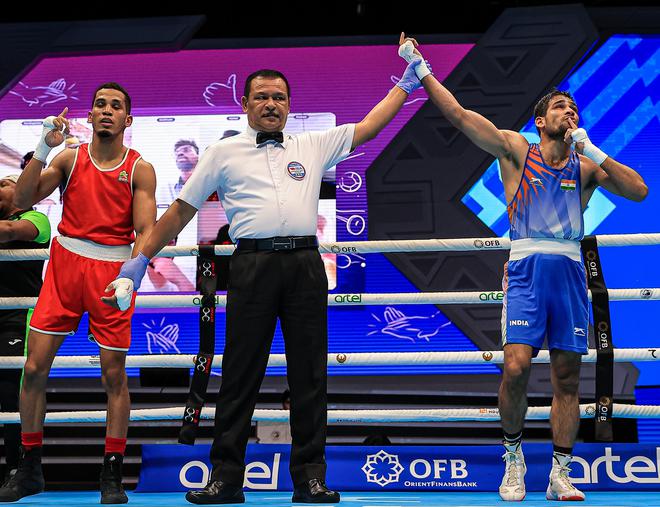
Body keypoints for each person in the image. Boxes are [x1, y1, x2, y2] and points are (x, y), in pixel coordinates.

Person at [105, 36, 429, 504]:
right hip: (252, 263)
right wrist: (137, 263)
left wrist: (406, 80)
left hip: (304, 263)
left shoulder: (312, 143)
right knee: (240, 374)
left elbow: (369, 127)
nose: (271, 104)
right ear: (245, 104)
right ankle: (226, 479)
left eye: (279, 97)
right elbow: (178, 212)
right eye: (262, 96)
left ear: (290, 105)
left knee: (309, 376)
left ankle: (310, 478)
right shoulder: (222, 153)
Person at [401, 39, 648, 501]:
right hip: (526, 270)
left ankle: (560, 472)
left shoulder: (586, 163)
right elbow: (458, 116)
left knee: (568, 377)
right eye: (560, 107)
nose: (569, 112)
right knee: (515, 367)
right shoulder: (516, 149)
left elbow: (639, 192)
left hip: (571, 270)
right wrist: (421, 69)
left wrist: (591, 148)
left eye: (574, 107)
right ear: (540, 121)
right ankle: (513, 459)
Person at [0, 83, 157, 504]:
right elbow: (23, 196)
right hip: (66, 266)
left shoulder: (140, 169)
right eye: (100, 104)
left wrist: (132, 274)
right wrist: (42, 148)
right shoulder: (70, 158)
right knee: (33, 369)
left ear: (128, 119)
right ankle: (29, 467)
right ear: (88, 116)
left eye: (116, 106)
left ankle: (111, 474)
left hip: (112, 273)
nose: (107, 110)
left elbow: (145, 231)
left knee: (113, 376)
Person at [0, 174, 50, 487]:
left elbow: (7, 232)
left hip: (20, 317)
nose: (0, 186)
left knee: (9, 393)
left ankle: (19, 469)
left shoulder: (35, 218)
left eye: (6, 183)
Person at [156, 139, 199, 204]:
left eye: (186, 150)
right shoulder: (164, 191)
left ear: (198, 156)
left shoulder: (211, 186)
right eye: (177, 152)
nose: (179, 153)